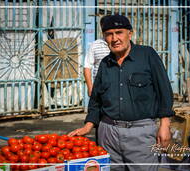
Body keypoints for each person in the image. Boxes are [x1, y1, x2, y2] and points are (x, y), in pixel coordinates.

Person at [68, 14, 174, 171]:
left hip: (141, 134)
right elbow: (96, 99)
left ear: (130, 34)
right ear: (104, 38)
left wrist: (165, 125)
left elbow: (164, 90)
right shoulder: (105, 64)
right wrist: (88, 125)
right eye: (109, 34)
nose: (114, 38)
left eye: (119, 32)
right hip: (107, 134)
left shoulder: (147, 55)